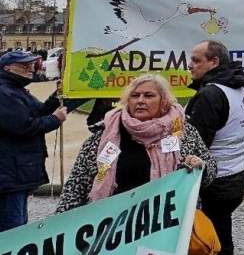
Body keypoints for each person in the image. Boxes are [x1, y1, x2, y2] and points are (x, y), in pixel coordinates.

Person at [56, 74, 214, 212]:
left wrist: (199, 166)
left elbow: (211, 170)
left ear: (163, 101)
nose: (140, 101)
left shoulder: (182, 131)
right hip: (113, 228)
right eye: (135, 95)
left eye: (149, 95)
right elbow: (76, 186)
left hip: (166, 224)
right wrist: (61, 226)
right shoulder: (105, 134)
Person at [186, 40, 244, 255]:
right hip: (236, 178)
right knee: (222, 233)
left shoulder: (210, 95)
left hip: (213, 182)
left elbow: (194, 145)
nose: (190, 65)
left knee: (205, 240)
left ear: (214, 61)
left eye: (196, 60)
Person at [0, 50, 67, 231]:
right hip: (9, 174)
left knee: (18, 224)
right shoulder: (5, 93)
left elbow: (39, 111)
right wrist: (55, 119)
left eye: (30, 64)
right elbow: (24, 126)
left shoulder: (15, 90)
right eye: (24, 65)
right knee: (13, 229)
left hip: (16, 172)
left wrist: (56, 97)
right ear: (7, 68)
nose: (30, 69)